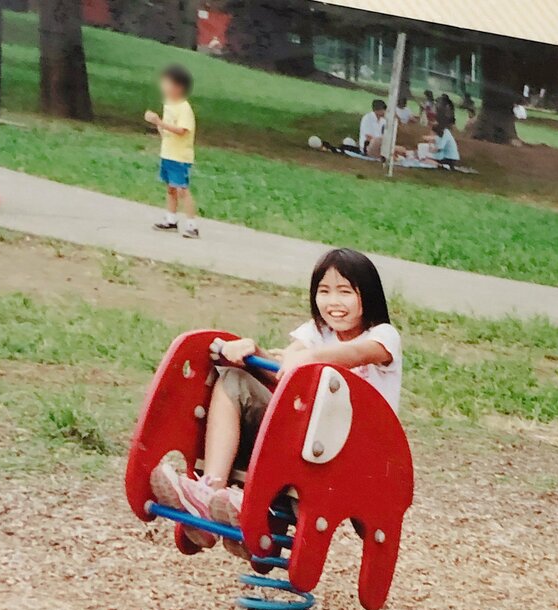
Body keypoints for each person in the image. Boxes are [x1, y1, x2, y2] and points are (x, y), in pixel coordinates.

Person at [150, 248, 403, 556]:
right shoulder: (316, 333)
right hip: (305, 439)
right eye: (324, 291)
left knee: (293, 412)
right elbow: (283, 369)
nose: (333, 302)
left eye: (345, 292)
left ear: (369, 296)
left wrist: (310, 358)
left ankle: (252, 511)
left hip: (351, 452)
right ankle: (209, 493)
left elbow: (356, 354)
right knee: (234, 379)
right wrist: (254, 351)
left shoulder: (383, 335)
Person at [144, 64, 199, 239]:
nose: (163, 87)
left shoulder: (184, 107)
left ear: (178, 87)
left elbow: (182, 130)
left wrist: (159, 122)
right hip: (168, 154)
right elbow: (166, 132)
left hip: (180, 157)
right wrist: (158, 125)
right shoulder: (169, 104)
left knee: (182, 189)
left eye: (167, 83)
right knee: (170, 189)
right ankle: (171, 220)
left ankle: (192, 225)